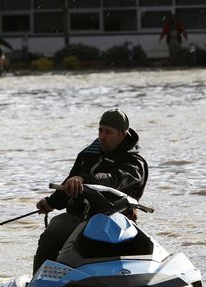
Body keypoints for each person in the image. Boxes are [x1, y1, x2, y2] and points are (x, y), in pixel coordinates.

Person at [33, 108, 148, 275]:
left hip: (117, 222)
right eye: (100, 130)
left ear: (122, 135)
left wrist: (84, 179)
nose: (102, 136)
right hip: (78, 218)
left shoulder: (134, 163)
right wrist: (50, 203)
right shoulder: (88, 154)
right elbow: (69, 184)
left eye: (108, 132)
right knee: (53, 232)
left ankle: (131, 276)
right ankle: (38, 284)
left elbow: (114, 179)